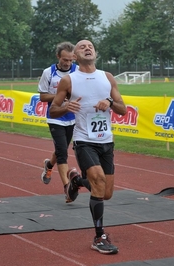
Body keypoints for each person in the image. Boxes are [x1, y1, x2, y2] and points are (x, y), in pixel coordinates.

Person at [49, 39, 127, 254]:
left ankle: (76, 181)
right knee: (99, 182)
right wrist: (66, 107)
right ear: (75, 55)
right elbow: (53, 110)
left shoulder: (107, 77)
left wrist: (110, 103)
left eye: (90, 45)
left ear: (95, 52)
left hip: (106, 141)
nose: (87, 47)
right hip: (84, 140)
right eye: (82, 46)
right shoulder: (68, 80)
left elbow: (123, 109)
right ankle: (99, 236)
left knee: (106, 192)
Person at [38, 41, 90, 203]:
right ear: (58, 57)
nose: (68, 63)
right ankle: (68, 188)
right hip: (56, 117)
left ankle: (49, 165)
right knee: (62, 153)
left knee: (62, 148)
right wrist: (60, 96)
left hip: (73, 117)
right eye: (64, 60)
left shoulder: (77, 71)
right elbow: (42, 96)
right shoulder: (49, 73)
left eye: (70, 60)